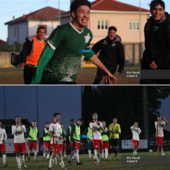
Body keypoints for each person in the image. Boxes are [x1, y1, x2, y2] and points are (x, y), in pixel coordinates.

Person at [31, 0, 118, 84]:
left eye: (88, 12)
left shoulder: (88, 34)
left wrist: (104, 69)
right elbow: (45, 55)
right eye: (82, 12)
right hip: (51, 80)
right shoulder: (61, 31)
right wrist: (36, 80)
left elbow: (86, 51)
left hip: (70, 81)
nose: (86, 16)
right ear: (73, 14)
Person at [140, 0, 170, 84]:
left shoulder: (168, 26)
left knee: (164, 90)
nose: (157, 12)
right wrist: (145, 56)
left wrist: (157, 61)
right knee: (143, 90)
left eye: (160, 9)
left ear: (163, 11)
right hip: (148, 65)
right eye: (154, 9)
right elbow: (149, 45)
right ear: (150, 10)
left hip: (164, 67)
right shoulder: (148, 24)